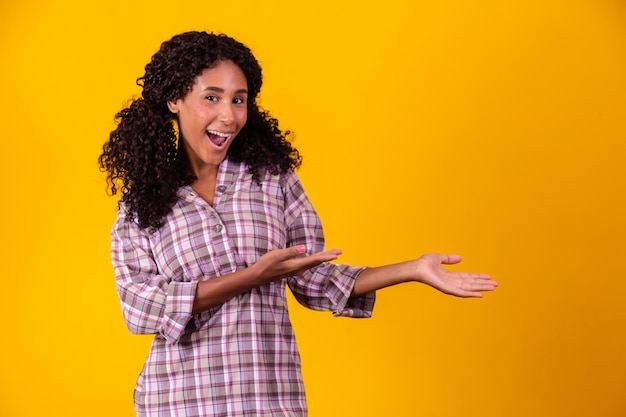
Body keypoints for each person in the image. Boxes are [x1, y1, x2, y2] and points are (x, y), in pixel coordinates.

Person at [99, 31, 497, 417]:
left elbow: (314, 280)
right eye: (211, 98)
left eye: (239, 100)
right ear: (174, 100)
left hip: (272, 402)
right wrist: (251, 276)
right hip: (178, 403)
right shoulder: (141, 203)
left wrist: (413, 269)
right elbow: (140, 308)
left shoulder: (271, 179)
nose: (229, 115)